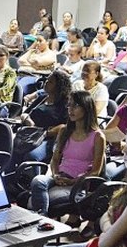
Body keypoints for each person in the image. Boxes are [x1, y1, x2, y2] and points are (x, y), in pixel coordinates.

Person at [28, 90, 105, 218]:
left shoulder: (98, 136)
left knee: (38, 200)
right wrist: (56, 174)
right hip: (60, 177)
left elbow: (96, 171)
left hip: (78, 184)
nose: (70, 109)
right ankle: (42, 217)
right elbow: (55, 159)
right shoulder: (65, 130)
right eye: (69, 105)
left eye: (75, 106)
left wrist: (72, 181)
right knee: (38, 180)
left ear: (86, 107)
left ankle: (41, 218)